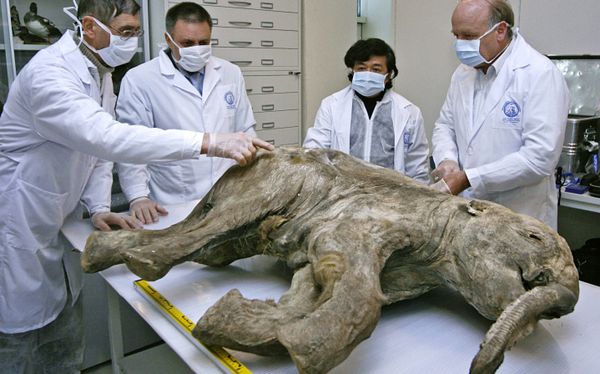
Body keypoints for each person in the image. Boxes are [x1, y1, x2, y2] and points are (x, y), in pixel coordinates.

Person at [0, 0, 272, 372]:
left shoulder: (99, 72)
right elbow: (106, 137)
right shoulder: (49, 75)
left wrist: (97, 207)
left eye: (135, 32)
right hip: (16, 219)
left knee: (60, 329)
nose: (130, 41)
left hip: (52, 216)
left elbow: (93, 155)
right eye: (125, 32)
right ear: (90, 26)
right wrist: (207, 142)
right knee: (19, 336)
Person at [431, 0, 568, 229]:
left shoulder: (539, 74)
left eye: (468, 36)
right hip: (469, 213)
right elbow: (445, 125)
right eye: (456, 36)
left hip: (519, 217)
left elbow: (539, 158)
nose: (460, 45)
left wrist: (468, 178)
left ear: (501, 31)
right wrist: (447, 160)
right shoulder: (462, 73)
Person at [116, 2, 256, 224]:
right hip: (172, 199)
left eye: (204, 42)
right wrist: (137, 197)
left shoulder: (230, 73)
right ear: (168, 39)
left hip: (227, 195)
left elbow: (246, 129)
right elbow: (132, 145)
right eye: (187, 43)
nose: (197, 49)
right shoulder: (140, 79)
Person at [303, 38, 430, 184]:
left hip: (391, 194)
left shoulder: (409, 112)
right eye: (361, 68)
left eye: (376, 69)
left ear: (388, 75)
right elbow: (314, 153)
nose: (368, 74)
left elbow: (418, 167)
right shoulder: (331, 105)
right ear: (353, 70)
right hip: (344, 192)